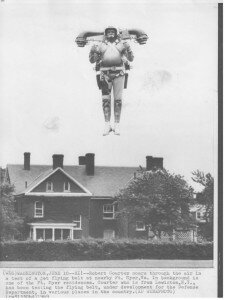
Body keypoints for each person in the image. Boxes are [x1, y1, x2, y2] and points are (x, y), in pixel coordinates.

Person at [89, 26, 134, 136]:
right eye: (108, 32)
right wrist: (93, 51)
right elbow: (92, 60)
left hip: (119, 74)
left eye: (112, 31)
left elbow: (131, 58)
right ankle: (107, 124)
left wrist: (128, 49)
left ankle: (117, 124)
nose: (110, 33)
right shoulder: (100, 45)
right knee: (106, 100)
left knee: (118, 100)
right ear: (105, 34)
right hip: (105, 75)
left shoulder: (122, 44)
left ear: (116, 33)